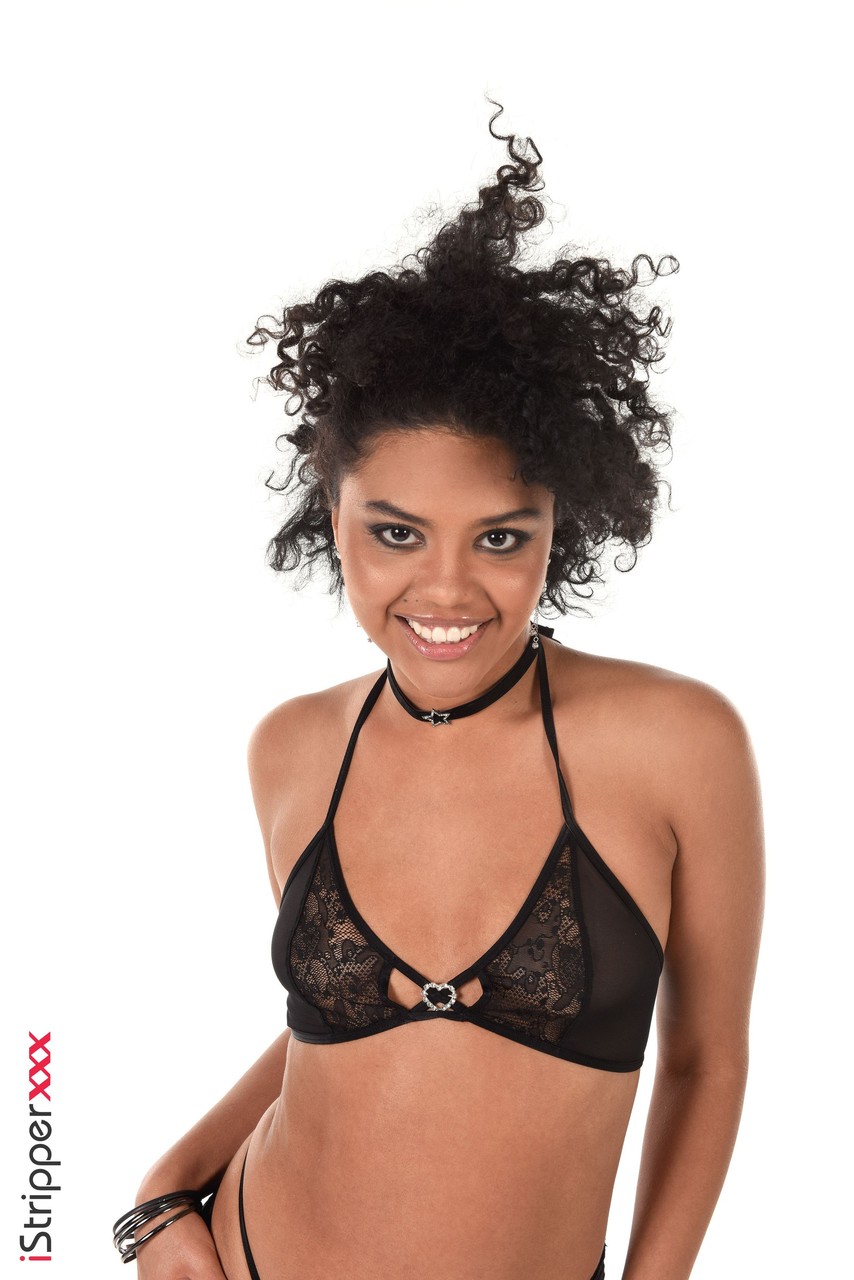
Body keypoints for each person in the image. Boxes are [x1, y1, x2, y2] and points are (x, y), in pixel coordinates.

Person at [114, 103, 765, 1280]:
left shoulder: (675, 738)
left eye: (500, 536)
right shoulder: (292, 747)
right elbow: (324, 1033)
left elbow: (704, 1060)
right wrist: (164, 1193)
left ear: (560, 524)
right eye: (396, 531)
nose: (447, 589)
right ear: (332, 520)